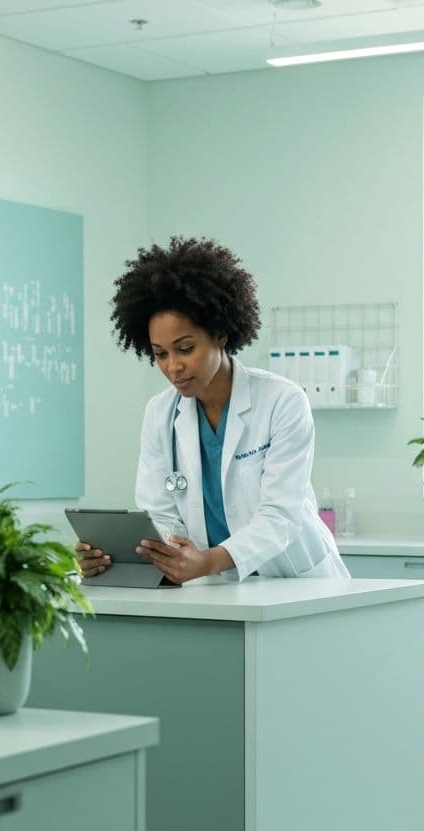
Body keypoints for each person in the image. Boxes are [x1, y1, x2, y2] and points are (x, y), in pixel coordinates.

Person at [77, 236, 348, 585]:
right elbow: (160, 515)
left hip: (297, 582)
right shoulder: (160, 415)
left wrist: (206, 561)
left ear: (220, 334)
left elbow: (280, 515)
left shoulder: (282, 401)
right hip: (216, 588)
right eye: (160, 354)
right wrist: (116, 560)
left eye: (185, 348)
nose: (173, 367)